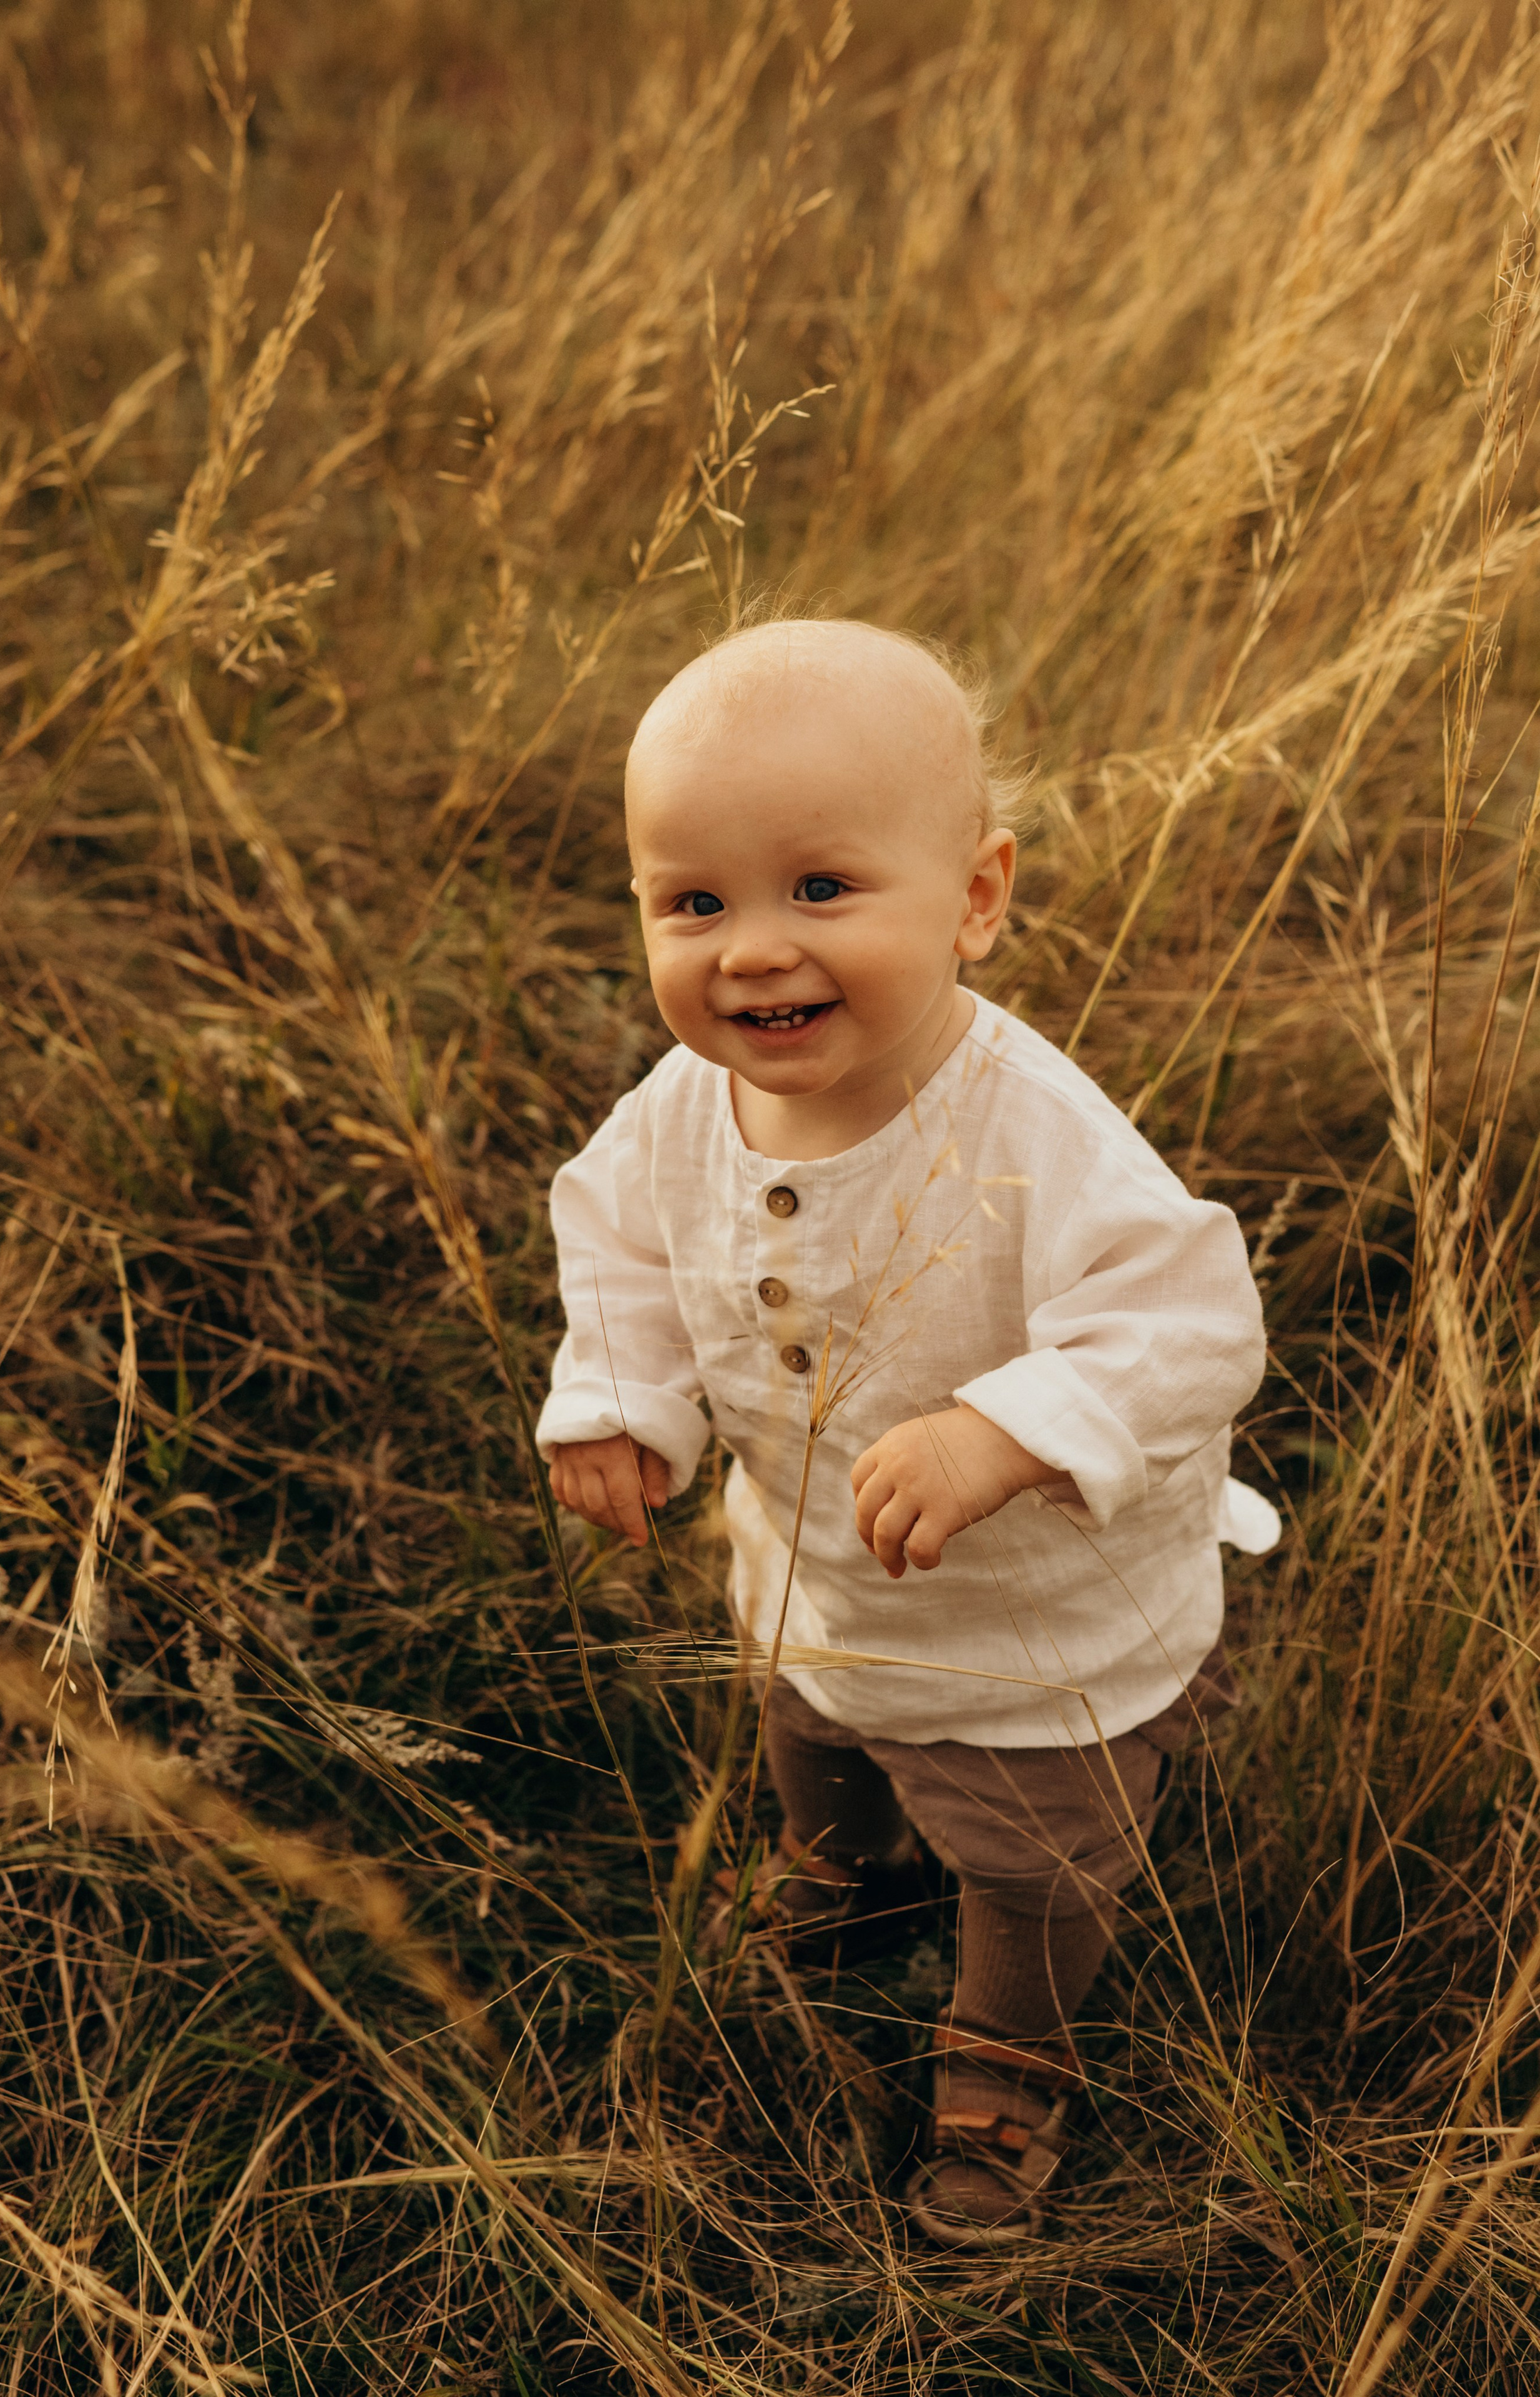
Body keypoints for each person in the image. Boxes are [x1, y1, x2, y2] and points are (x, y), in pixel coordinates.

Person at [535, 616, 1275, 2247]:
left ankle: (1011, 2053)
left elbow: (1191, 1322)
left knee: (1031, 1871)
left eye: (820, 889)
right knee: (817, 1745)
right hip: (821, 1587)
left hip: (1034, 1645)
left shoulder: (1033, 1130)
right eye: (694, 902)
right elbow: (622, 1246)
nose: (749, 952)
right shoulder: (681, 1107)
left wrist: (1006, 1432)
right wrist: (622, 1402)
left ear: (980, 900)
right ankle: (850, 1877)